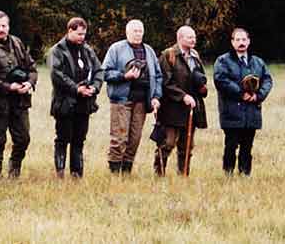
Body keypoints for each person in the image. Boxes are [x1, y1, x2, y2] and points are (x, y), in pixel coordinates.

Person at [0, 11, 38, 179]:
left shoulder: (17, 43)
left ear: (8, 26)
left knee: (23, 138)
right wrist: (9, 86)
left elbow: (32, 68)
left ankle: (14, 170)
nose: (1, 29)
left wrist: (29, 83)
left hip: (19, 101)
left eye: (4, 25)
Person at [101, 19, 162, 174]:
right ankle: (114, 172)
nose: (137, 34)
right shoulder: (116, 49)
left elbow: (158, 75)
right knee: (119, 138)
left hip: (142, 101)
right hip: (122, 100)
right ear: (127, 32)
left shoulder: (149, 51)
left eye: (140, 31)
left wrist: (156, 96)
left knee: (135, 138)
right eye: (134, 31)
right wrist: (124, 76)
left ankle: (127, 171)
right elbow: (104, 72)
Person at [49, 17, 104, 178]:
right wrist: (76, 89)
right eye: (79, 34)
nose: (82, 37)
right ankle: (60, 173)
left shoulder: (87, 50)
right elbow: (56, 75)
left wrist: (94, 87)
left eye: (84, 34)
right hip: (65, 103)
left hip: (84, 103)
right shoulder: (57, 50)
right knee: (63, 138)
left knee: (79, 139)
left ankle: (77, 174)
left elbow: (99, 71)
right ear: (70, 31)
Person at [214, 28, 273, 176]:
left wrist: (258, 96)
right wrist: (241, 93)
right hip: (232, 111)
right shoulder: (223, 61)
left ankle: (245, 174)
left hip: (252, 111)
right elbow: (221, 80)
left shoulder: (258, 62)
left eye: (244, 40)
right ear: (232, 42)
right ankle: (228, 174)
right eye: (238, 40)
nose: (241, 43)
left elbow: (267, 80)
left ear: (249, 41)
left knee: (247, 146)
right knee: (231, 145)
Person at [154, 25, 208, 176]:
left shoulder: (195, 55)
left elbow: (200, 77)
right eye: (190, 37)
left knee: (187, 145)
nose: (193, 40)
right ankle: (159, 173)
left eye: (194, 37)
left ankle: (183, 174)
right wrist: (183, 96)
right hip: (172, 107)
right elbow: (165, 82)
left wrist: (203, 88)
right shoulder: (168, 55)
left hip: (191, 107)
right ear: (180, 38)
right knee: (168, 143)